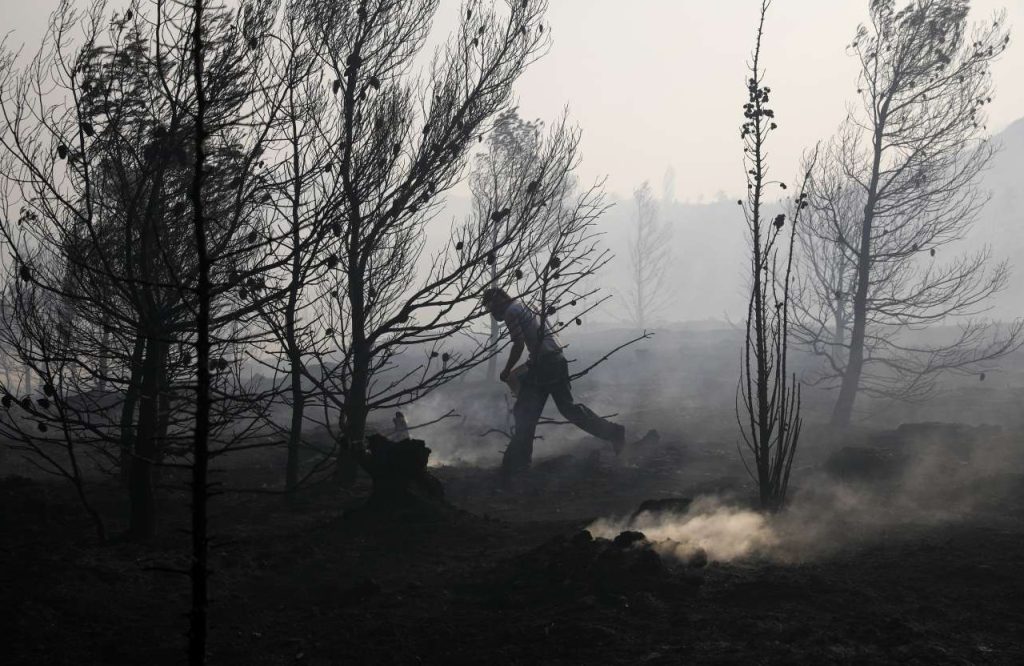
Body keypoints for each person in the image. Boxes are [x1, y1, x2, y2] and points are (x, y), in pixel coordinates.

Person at [482, 287, 656, 473]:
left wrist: (508, 369)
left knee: (525, 413)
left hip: (544, 366)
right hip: (557, 360)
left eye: (491, 307)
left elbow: (518, 343)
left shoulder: (511, 312)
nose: (492, 313)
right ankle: (613, 433)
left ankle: (517, 464)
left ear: (497, 301)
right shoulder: (525, 305)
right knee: (567, 409)